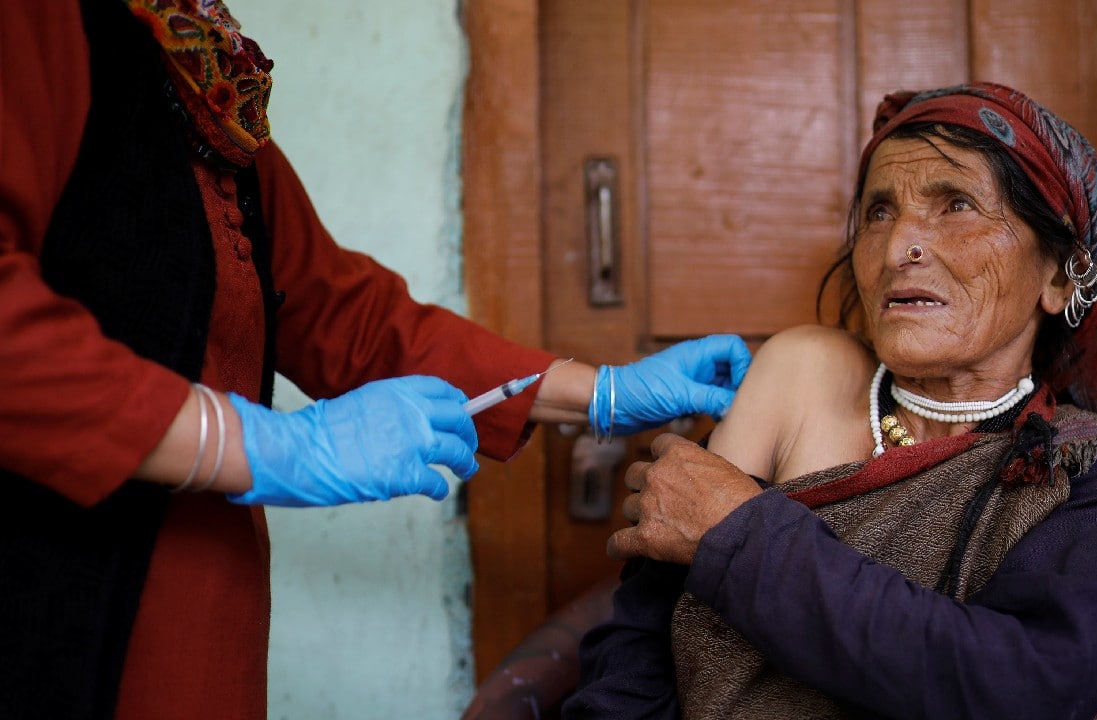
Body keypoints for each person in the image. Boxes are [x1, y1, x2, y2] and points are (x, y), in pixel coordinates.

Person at [0, 2, 751, 718]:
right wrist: (263, 444)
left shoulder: (195, 69)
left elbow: (341, 313)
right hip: (57, 606)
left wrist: (604, 393)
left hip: (203, 617)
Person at [563, 82, 1097, 719]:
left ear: (1058, 275)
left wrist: (738, 535)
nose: (896, 251)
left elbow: (1024, 689)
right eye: (879, 212)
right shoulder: (803, 374)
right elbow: (641, 639)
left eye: (957, 205)